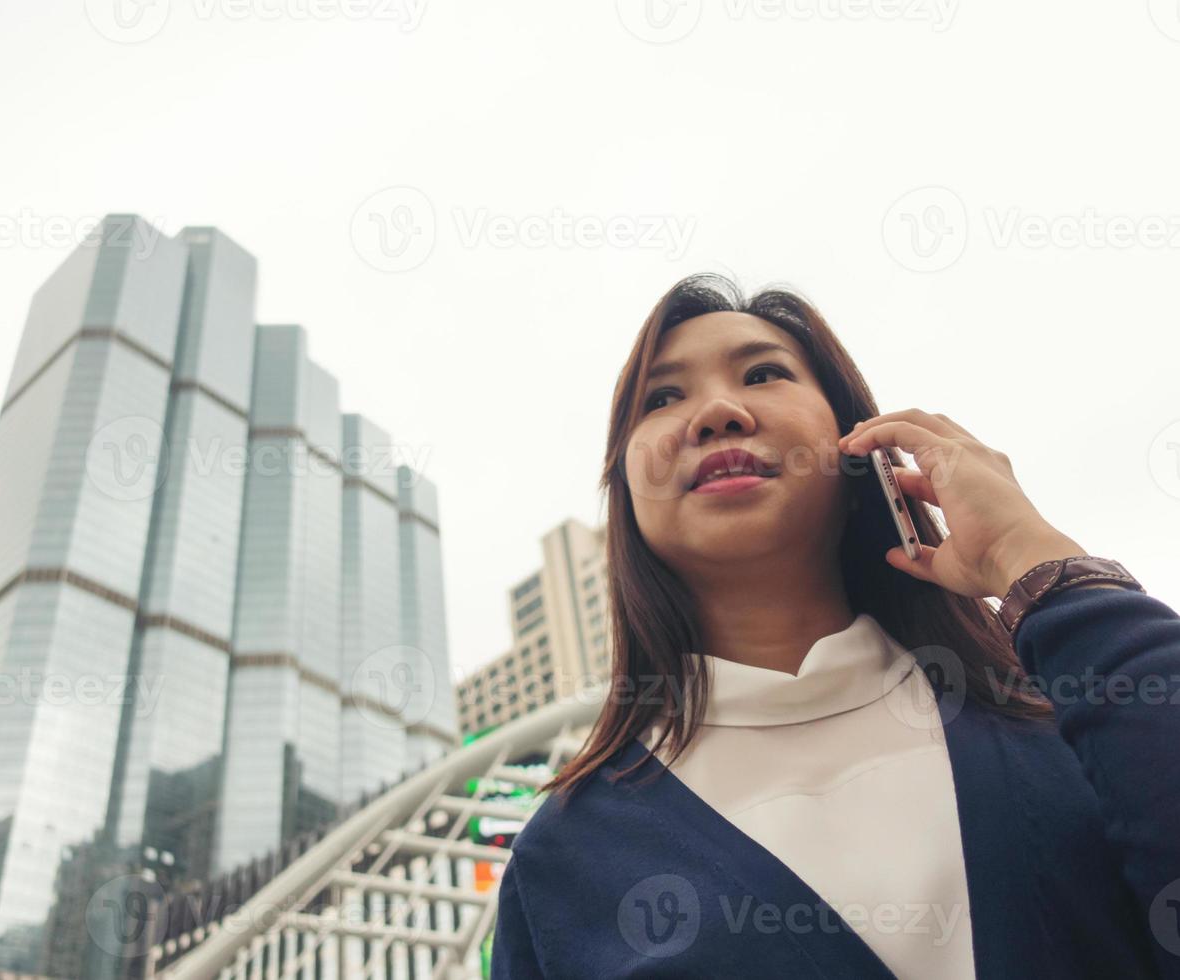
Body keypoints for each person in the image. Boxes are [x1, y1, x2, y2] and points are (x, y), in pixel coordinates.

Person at [489, 274, 1180, 978]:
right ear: (625, 496)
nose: (717, 412)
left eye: (762, 374)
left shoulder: (1077, 714)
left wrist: (1029, 555)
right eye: (661, 398)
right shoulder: (562, 859)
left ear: (861, 446)